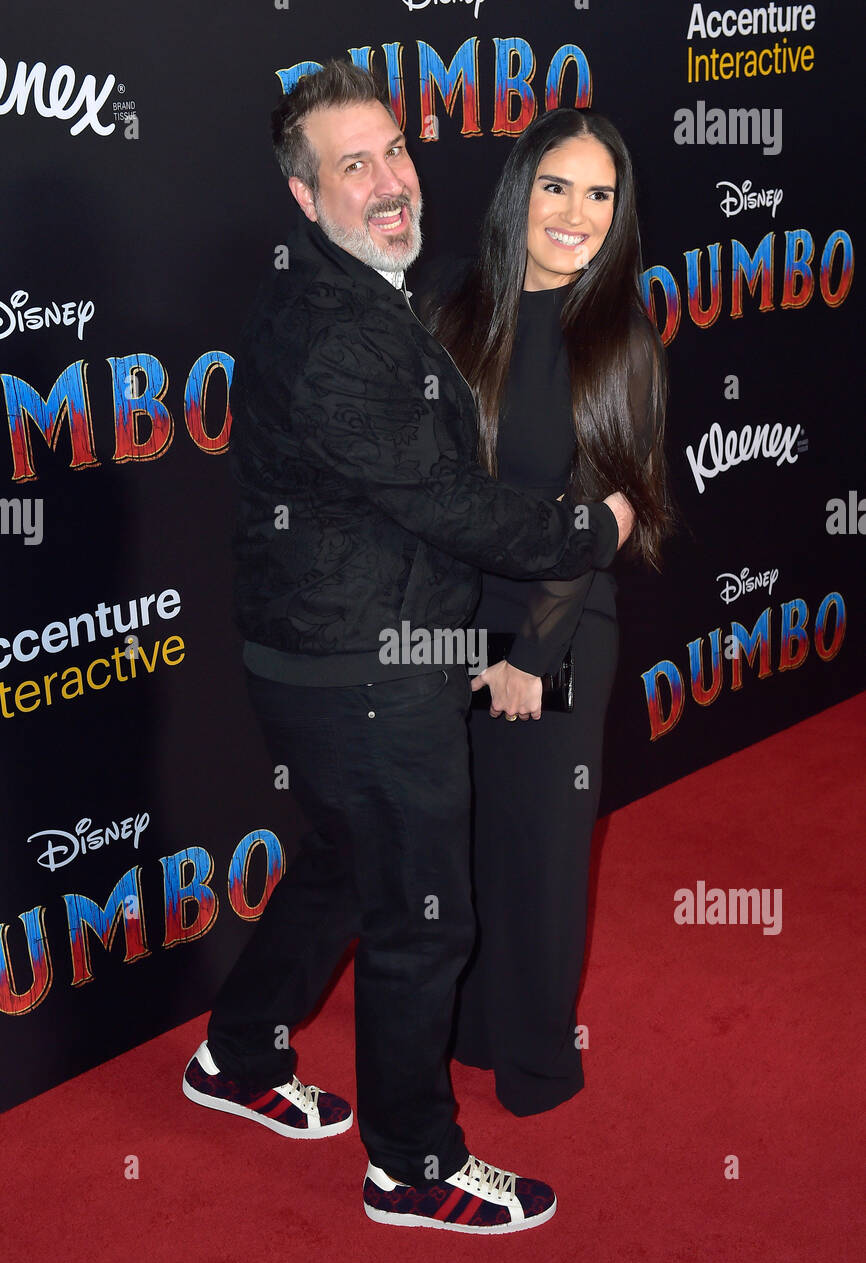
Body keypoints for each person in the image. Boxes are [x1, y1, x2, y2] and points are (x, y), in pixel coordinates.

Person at [182, 60, 635, 1234]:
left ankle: (234, 1055)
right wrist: (589, 526)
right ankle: (413, 1167)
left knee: (338, 868)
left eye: (393, 151)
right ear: (302, 195)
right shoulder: (342, 332)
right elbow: (449, 506)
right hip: (367, 674)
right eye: (351, 165)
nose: (387, 182)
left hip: (334, 655)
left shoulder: (366, 291)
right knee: (424, 918)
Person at [420, 108, 672, 1116]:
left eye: (599, 194)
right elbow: (425, 490)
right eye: (555, 186)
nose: (575, 213)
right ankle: (467, 1027)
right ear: (517, 190)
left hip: (552, 630)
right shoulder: (453, 313)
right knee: (463, 845)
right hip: (443, 623)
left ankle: (533, 1057)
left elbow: (606, 512)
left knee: (539, 852)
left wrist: (527, 654)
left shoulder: (617, 344)